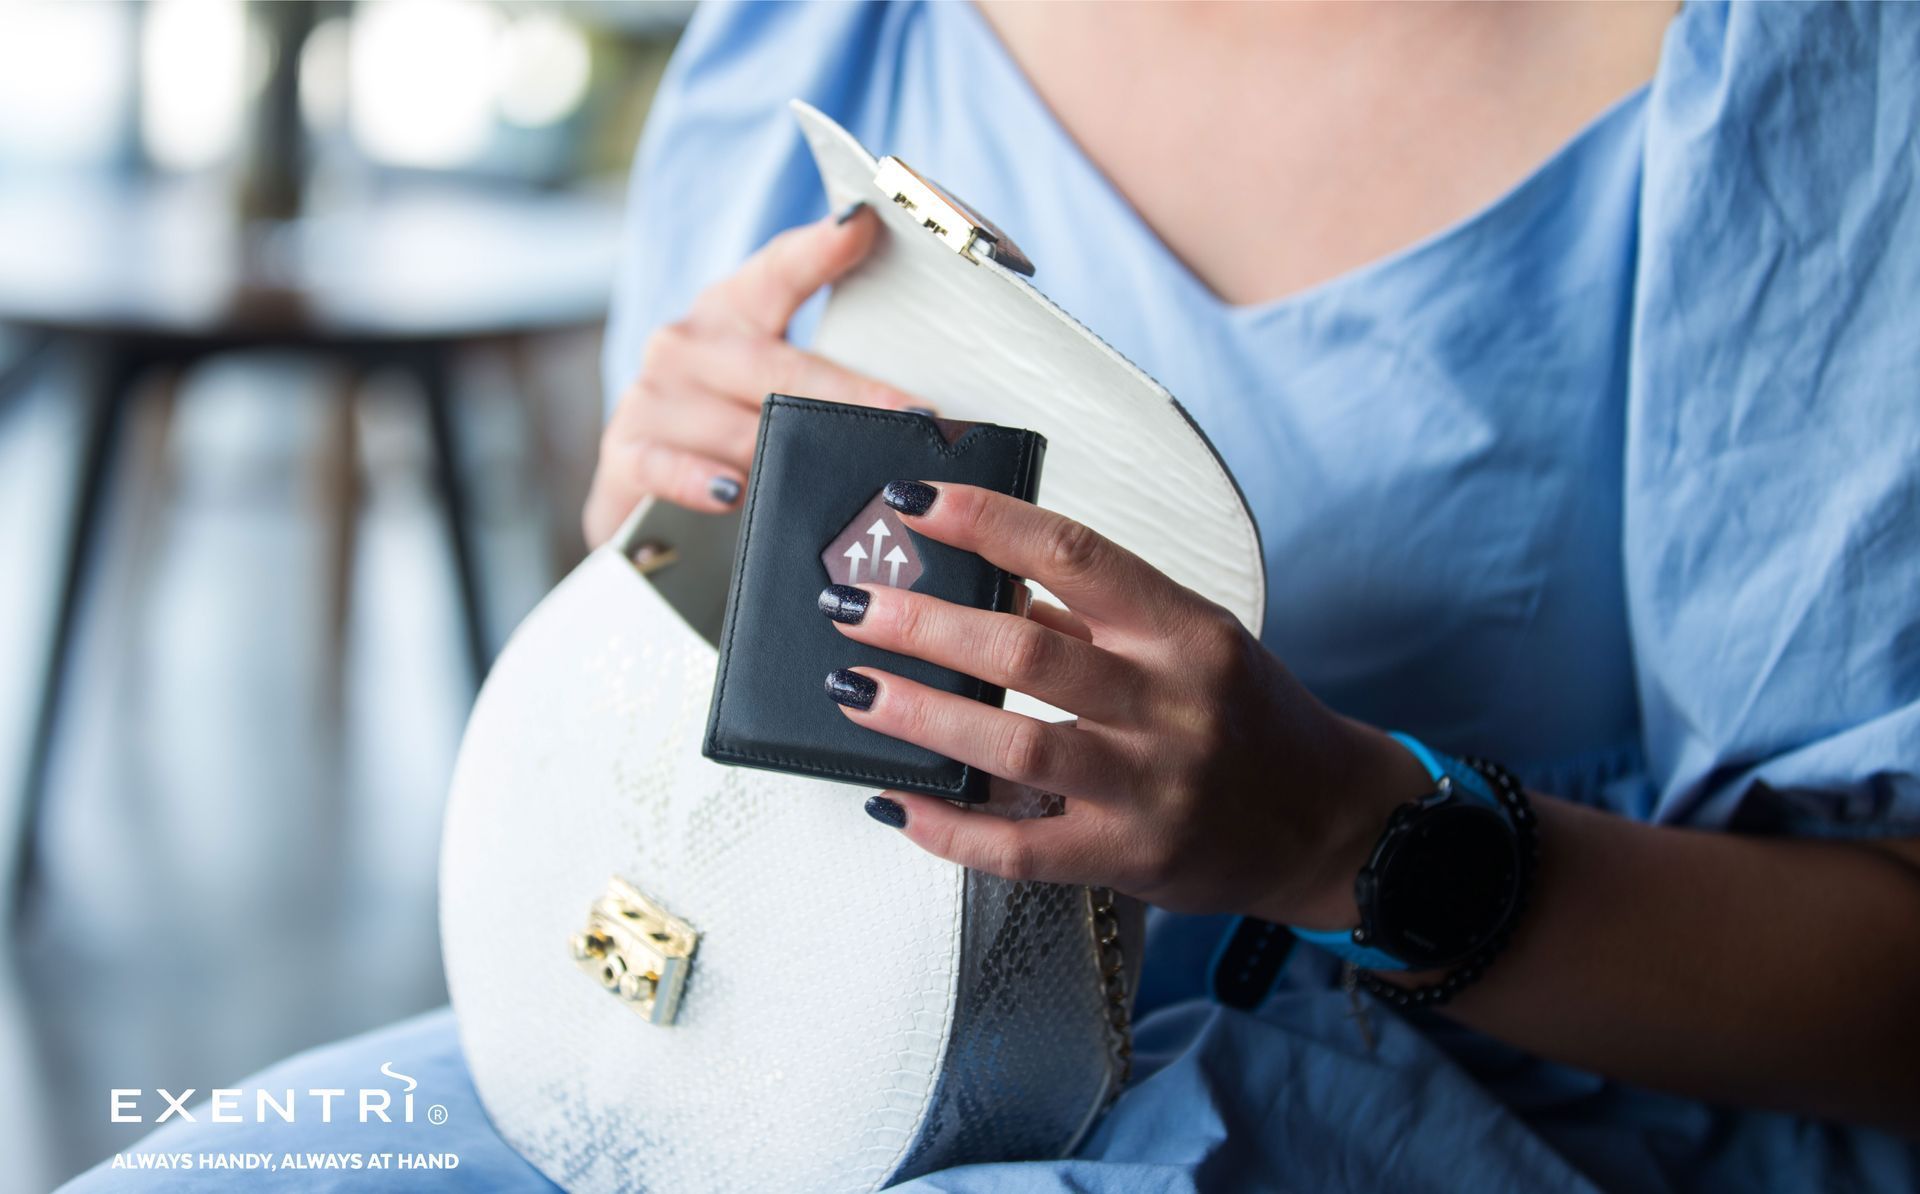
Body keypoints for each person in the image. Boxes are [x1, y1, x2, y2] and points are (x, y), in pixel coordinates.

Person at [68, 2, 1920, 1190]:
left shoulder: (1782, 63)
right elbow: (709, 650)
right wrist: (664, 534)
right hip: (780, 1070)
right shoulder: (821, 32)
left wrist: (1345, 834)